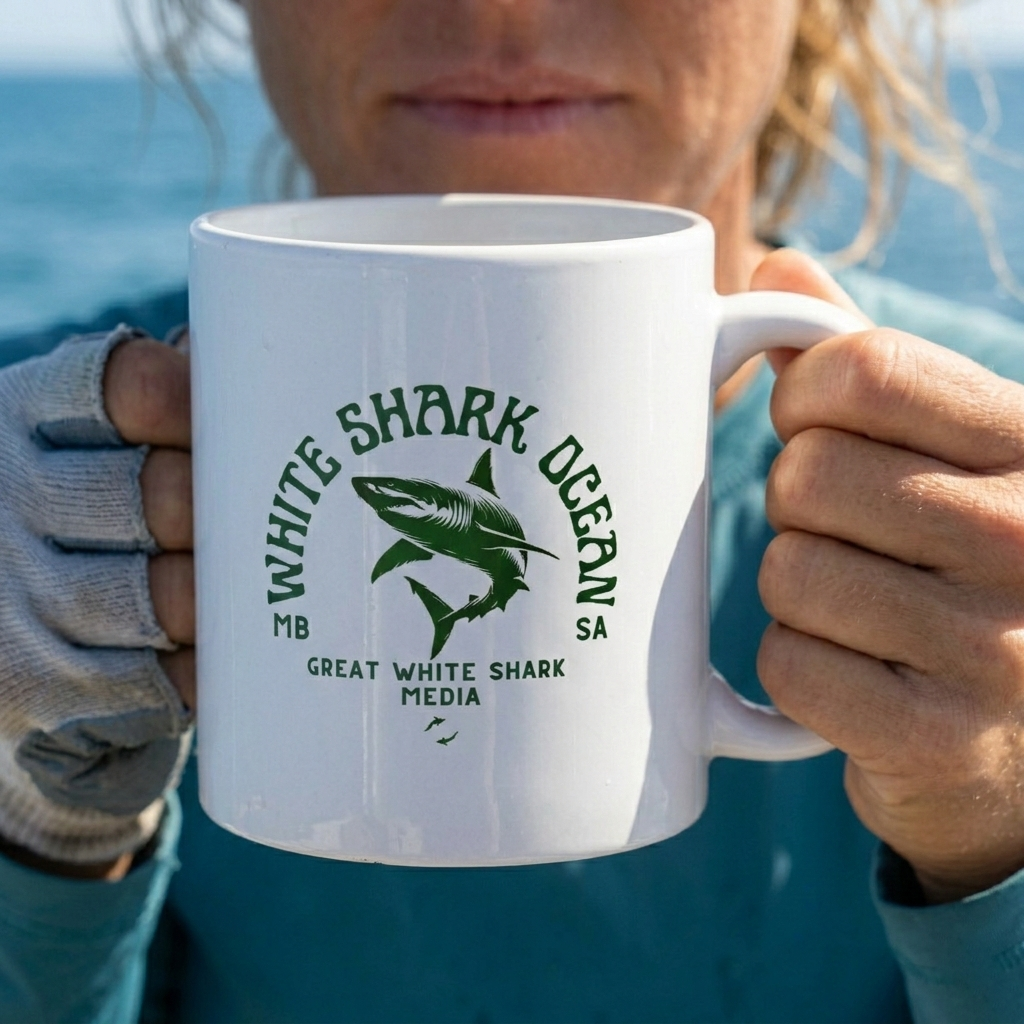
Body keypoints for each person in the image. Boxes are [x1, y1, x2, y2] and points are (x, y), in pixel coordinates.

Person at [1, 1, 1024, 1020]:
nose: (503, 5)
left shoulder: (1000, 471)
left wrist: (996, 822)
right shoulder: (38, 462)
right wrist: (38, 818)